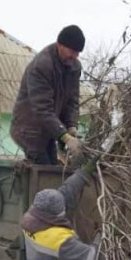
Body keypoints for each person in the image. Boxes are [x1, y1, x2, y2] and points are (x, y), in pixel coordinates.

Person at [11, 24, 86, 165]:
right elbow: (42, 109)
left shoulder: (74, 67)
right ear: (60, 45)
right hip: (29, 131)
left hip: (49, 131)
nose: (75, 56)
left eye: (78, 53)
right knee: (45, 170)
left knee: (54, 167)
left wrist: (71, 127)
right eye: (72, 51)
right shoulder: (42, 66)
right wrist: (66, 138)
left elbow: (73, 100)